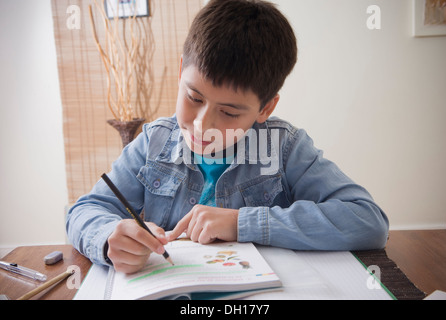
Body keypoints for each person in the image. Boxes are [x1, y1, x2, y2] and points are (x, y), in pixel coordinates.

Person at [66, 0, 389, 274]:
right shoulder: (153, 143)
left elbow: (368, 222)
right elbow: (85, 210)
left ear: (266, 108)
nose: (202, 125)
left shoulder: (285, 148)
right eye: (193, 98)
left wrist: (243, 223)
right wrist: (110, 236)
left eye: (230, 113)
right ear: (181, 72)